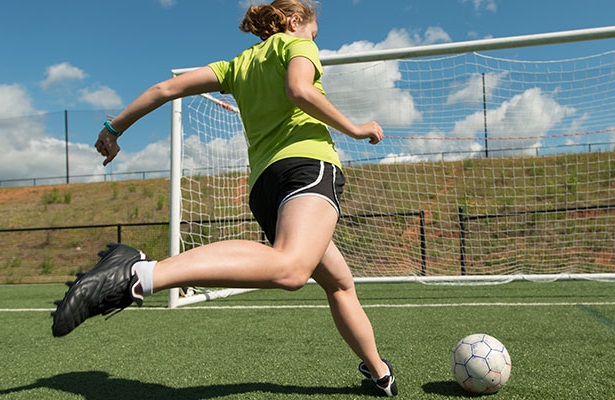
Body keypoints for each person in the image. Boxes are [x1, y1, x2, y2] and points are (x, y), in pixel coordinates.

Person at [52, 0, 397, 397]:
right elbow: (299, 89)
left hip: (267, 187)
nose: (313, 40)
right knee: (291, 270)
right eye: (313, 32)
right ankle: (138, 274)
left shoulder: (238, 65)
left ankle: (379, 372)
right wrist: (354, 128)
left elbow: (166, 88)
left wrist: (114, 128)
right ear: (295, 20)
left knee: (339, 283)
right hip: (308, 167)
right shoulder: (297, 43)